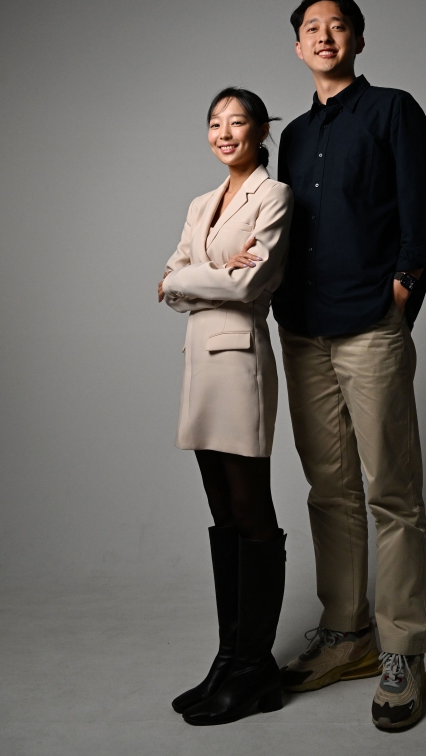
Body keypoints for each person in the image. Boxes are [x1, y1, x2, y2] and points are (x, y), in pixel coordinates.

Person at [272, 0, 426, 731]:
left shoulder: (393, 111)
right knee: (329, 489)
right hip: (304, 329)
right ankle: (346, 633)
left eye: (337, 26)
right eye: (311, 28)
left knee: (393, 494)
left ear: (358, 40)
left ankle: (402, 651)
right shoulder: (291, 137)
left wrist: (402, 294)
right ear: (297, 46)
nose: (324, 36)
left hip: (371, 328)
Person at [158, 87, 293, 725]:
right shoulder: (200, 202)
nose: (225, 132)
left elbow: (250, 283)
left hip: (239, 362)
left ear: (262, 129)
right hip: (199, 367)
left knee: (250, 507)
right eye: (215, 122)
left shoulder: (274, 195)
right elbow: (168, 277)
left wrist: (188, 278)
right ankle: (231, 655)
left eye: (238, 121)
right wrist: (189, 277)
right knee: (222, 512)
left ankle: (254, 667)